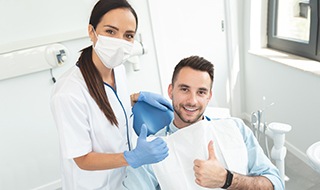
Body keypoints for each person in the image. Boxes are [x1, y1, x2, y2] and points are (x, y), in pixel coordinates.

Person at [50, 0, 170, 189]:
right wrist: (132, 157)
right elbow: (82, 159)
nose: (120, 41)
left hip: (126, 178)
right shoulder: (68, 93)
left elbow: (105, 105)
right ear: (92, 32)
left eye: (128, 35)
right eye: (111, 31)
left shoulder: (118, 69)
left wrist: (135, 98)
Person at [123, 55, 284, 190]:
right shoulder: (152, 149)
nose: (192, 101)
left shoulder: (235, 128)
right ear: (171, 91)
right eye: (184, 89)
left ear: (209, 96)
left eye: (201, 92)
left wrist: (227, 180)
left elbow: (275, 183)